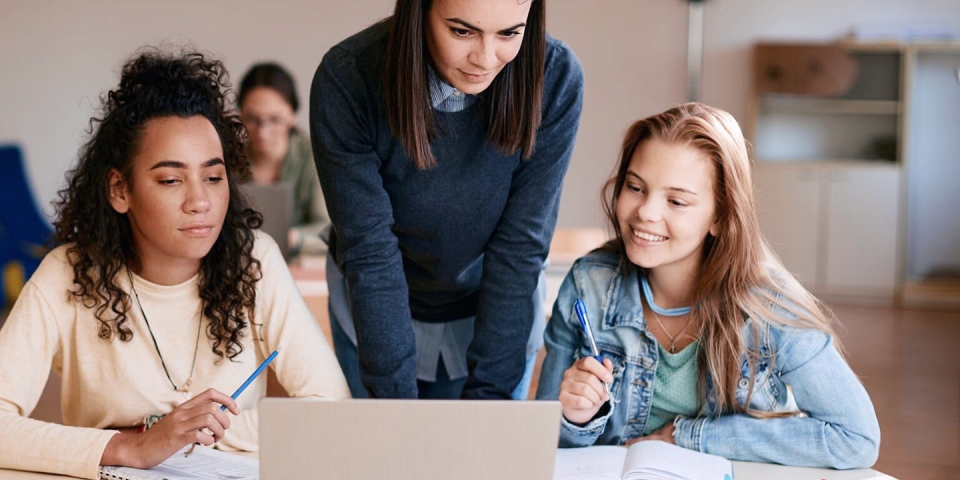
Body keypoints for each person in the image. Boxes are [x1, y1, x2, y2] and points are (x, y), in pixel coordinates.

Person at [0, 50, 349, 479]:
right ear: (120, 190)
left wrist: (181, 434)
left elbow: (330, 410)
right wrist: (133, 446)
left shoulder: (254, 261)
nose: (201, 202)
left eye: (213, 177)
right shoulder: (70, 274)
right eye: (171, 180)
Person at [536, 103, 880, 469]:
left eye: (676, 200)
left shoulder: (771, 304)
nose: (646, 212)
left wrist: (687, 437)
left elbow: (855, 438)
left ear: (720, 216)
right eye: (635, 187)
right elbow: (545, 442)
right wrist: (575, 418)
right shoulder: (589, 284)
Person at [311, 0, 584, 399]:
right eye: (462, 31)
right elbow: (370, 254)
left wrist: (489, 405)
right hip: (375, 307)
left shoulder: (555, 77)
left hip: (493, 308)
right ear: (419, 11)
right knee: (387, 453)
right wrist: (395, 411)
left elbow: (520, 248)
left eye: (509, 33)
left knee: (485, 452)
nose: (486, 58)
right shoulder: (349, 78)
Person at [237, 62, 329, 255]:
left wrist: (295, 238)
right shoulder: (229, 158)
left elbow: (328, 229)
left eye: (274, 120)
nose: (263, 130)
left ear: (292, 116)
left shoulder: (314, 156)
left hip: (299, 265)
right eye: (252, 119)